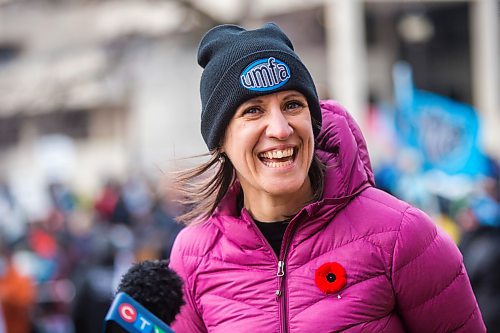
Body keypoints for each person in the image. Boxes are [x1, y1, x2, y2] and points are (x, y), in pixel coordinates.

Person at [168, 23, 485, 332]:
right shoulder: (193, 256)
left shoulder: (403, 235)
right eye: (253, 110)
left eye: (293, 105)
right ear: (220, 140)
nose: (280, 129)